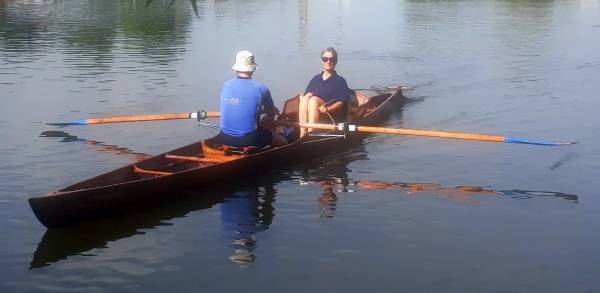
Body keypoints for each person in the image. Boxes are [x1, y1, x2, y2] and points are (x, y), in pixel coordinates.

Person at [218, 50, 287, 148]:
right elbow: (271, 113)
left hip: (224, 137)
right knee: (283, 141)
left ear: (236, 69)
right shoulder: (261, 88)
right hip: (248, 138)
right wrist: (268, 122)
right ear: (253, 69)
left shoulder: (225, 85)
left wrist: (260, 111)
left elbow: (239, 105)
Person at [299, 47, 350, 137]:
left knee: (313, 100)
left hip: (330, 116)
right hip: (315, 113)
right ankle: (302, 133)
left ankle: (311, 132)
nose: (328, 62)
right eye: (325, 59)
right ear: (321, 61)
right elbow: (308, 93)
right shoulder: (315, 79)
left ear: (335, 62)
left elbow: (341, 103)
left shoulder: (340, 81)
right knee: (304, 99)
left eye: (331, 59)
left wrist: (327, 109)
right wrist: (305, 96)